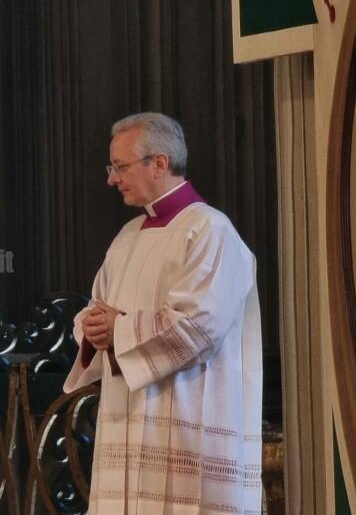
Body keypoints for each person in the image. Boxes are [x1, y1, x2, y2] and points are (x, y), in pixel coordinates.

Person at [63, 112, 262, 514]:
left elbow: (199, 326)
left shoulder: (209, 230)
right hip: (127, 419)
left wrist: (117, 329)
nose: (111, 178)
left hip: (187, 420)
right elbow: (94, 310)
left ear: (159, 163)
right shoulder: (126, 237)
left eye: (119, 167)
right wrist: (93, 328)